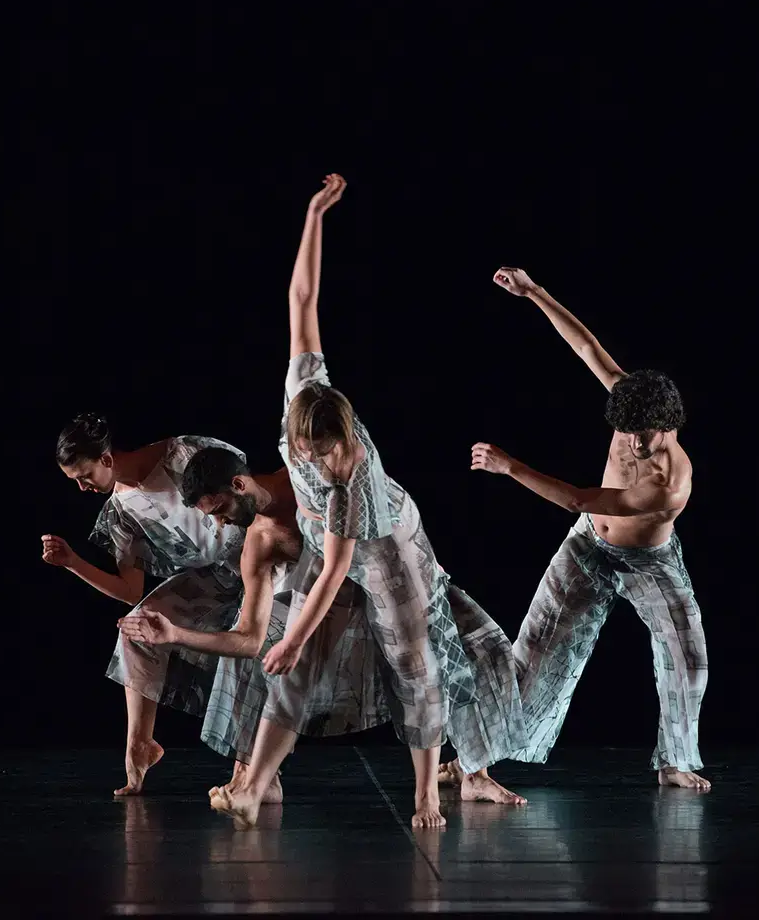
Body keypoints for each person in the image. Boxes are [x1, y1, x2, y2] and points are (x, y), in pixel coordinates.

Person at [210, 175, 526, 831]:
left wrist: (297, 636)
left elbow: (334, 569)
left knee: (417, 659)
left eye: (328, 454)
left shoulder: (350, 480)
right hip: (328, 538)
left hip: (391, 544)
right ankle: (251, 785)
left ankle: (436, 794)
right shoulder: (306, 386)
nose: (319, 463)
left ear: (344, 443)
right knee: (281, 657)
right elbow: (302, 296)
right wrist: (313, 215)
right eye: (311, 454)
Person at [462, 266, 710, 791]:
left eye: (646, 436)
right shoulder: (630, 404)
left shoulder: (671, 485)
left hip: (651, 563)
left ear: (670, 425)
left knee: (687, 656)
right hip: (587, 548)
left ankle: (675, 762)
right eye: (628, 432)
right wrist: (534, 293)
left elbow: (578, 496)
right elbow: (585, 347)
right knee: (533, 652)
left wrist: (510, 468)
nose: (635, 444)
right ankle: (471, 762)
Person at [118, 443, 391, 801]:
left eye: (220, 510)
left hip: (383, 579)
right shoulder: (258, 542)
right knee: (254, 651)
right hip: (325, 602)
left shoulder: (307, 480)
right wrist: (175, 634)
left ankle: (471, 770)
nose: (220, 523)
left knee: (471, 642)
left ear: (239, 485)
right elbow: (248, 639)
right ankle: (253, 772)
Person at [43, 421, 283, 798]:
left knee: (246, 653)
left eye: (85, 475)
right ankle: (139, 747)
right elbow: (129, 591)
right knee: (137, 627)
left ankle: (258, 770)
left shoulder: (183, 453)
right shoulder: (120, 512)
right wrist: (73, 562)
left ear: (106, 458)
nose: (82, 487)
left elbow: (246, 486)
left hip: (268, 553)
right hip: (218, 576)